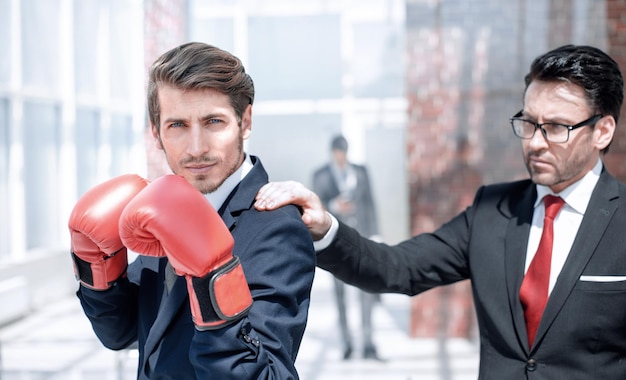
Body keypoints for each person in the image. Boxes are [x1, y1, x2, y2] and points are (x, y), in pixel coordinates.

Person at [255, 44, 626, 379]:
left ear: (602, 131)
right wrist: (325, 229)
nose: (535, 142)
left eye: (556, 127)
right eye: (528, 123)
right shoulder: (492, 210)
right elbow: (396, 268)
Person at [68, 42, 316, 379]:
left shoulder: (277, 229)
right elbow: (122, 333)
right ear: (156, 133)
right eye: (178, 126)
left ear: (245, 122)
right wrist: (96, 269)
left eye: (213, 121)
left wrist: (213, 283)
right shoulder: (163, 211)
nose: (196, 148)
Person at [312, 134, 381, 360]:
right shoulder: (321, 175)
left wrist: (376, 234)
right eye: (337, 153)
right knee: (340, 295)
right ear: (332, 153)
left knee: (367, 291)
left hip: (362, 239)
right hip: (336, 241)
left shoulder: (361, 172)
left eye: (343, 153)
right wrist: (334, 206)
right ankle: (348, 344)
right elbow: (315, 205)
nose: (340, 157)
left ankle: (369, 343)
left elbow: (370, 203)